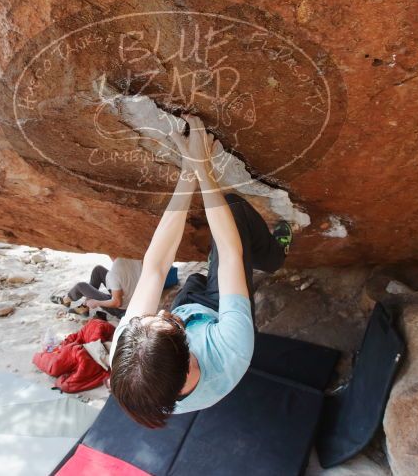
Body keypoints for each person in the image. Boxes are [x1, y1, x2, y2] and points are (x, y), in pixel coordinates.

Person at [108, 116, 292, 428]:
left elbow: (155, 267)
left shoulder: (130, 358)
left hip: (195, 307)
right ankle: (273, 258)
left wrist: (188, 171)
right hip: (218, 316)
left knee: (195, 280)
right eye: (168, 323)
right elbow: (232, 252)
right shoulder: (230, 351)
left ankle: (206, 283)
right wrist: (204, 167)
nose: (164, 311)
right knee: (233, 211)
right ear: (189, 355)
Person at [63, 258, 142, 318]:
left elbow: (117, 303)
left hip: (122, 310)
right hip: (134, 300)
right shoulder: (135, 258)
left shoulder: (114, 274)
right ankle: (84, 308)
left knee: (81, 286)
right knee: (98, 270)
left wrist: (96, 302)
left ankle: (65, 300)